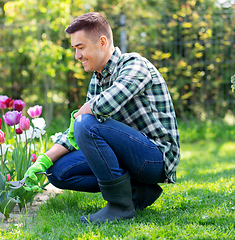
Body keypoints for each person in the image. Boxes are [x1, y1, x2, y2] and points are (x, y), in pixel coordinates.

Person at [24, 12, 180, 224]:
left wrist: (84, 111)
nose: (77, 56)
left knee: (86, 124)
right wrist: (44, 160)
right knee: (58, 172)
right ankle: (138, 191)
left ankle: (120, 206)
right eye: (75, 49)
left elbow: (108, 103)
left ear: (102, 42)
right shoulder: (97, 81)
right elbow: (74, 132)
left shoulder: (134, 65)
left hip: (154, 158)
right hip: (128, 155)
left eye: (80, 48)